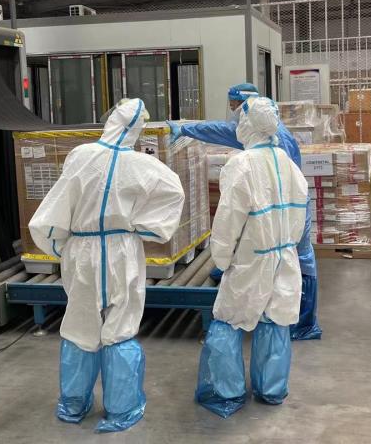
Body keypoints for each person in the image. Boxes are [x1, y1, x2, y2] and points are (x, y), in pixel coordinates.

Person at [29, 98, 185, 433]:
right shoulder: (144, 166)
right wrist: (145, 228)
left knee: (80, 324)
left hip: (82, 250)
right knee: (121, 324)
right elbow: (174, 191)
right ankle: (121, 409)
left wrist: (57, 244)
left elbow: (59, 201)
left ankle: (73, 404)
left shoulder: (81, 154)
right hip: (121, 250)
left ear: (111, 120)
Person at [168, 83, 322, 341]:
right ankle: (279, 315)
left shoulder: (263, 145)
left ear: (247, 107)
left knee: (296, 258)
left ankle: (304, 323)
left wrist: (224, 258)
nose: (233, 113)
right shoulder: (264, 132)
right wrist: (186, 129)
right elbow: (223, 130)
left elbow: (230, 219)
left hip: (283, 206)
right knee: (282, 255)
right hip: (284, 205)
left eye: (234, 107)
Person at [195, 96, 306, 417]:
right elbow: (299, 213)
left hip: (250, 259)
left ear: (248, 124)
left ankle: (226, 391)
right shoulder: (286, 161)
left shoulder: (241, 164)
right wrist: (286, 245)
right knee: (275, 319)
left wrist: (222, 258)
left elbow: (228, 219)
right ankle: (271, 388)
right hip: (284, 257)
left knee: (229, 319)